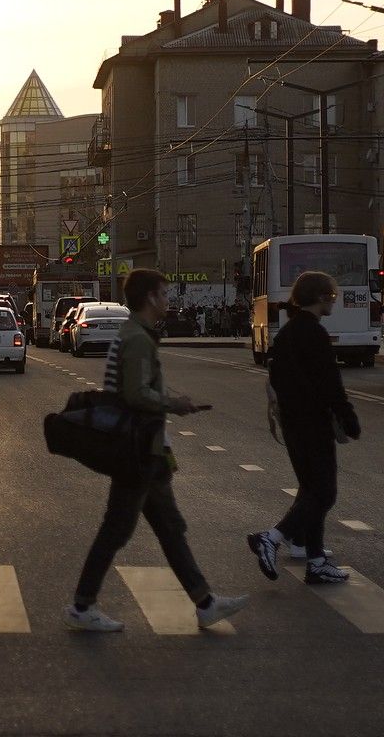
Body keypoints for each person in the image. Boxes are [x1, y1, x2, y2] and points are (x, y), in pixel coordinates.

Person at [66, 268, 248, 632]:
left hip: (147, 448)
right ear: (150, 297)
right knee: (117, 530)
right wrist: (173, 403)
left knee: (169, 528)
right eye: (164, 294)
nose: (168, 300)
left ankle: (205, 602)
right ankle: (82, 606)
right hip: (137, 452)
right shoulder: (137, 339)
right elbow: (135, 395)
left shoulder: (138, 334)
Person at [247, 270, 360, 585]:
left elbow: (277, 379)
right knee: (324, 492)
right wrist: (347, 417)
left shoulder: (286, 334)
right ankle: (272, 537)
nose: (333, 302)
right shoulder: (315, 334)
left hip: (292, 423)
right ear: (322, 297)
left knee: (310, 490)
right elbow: (330, 384)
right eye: (333, 296)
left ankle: (316, 560)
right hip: (314, 423)